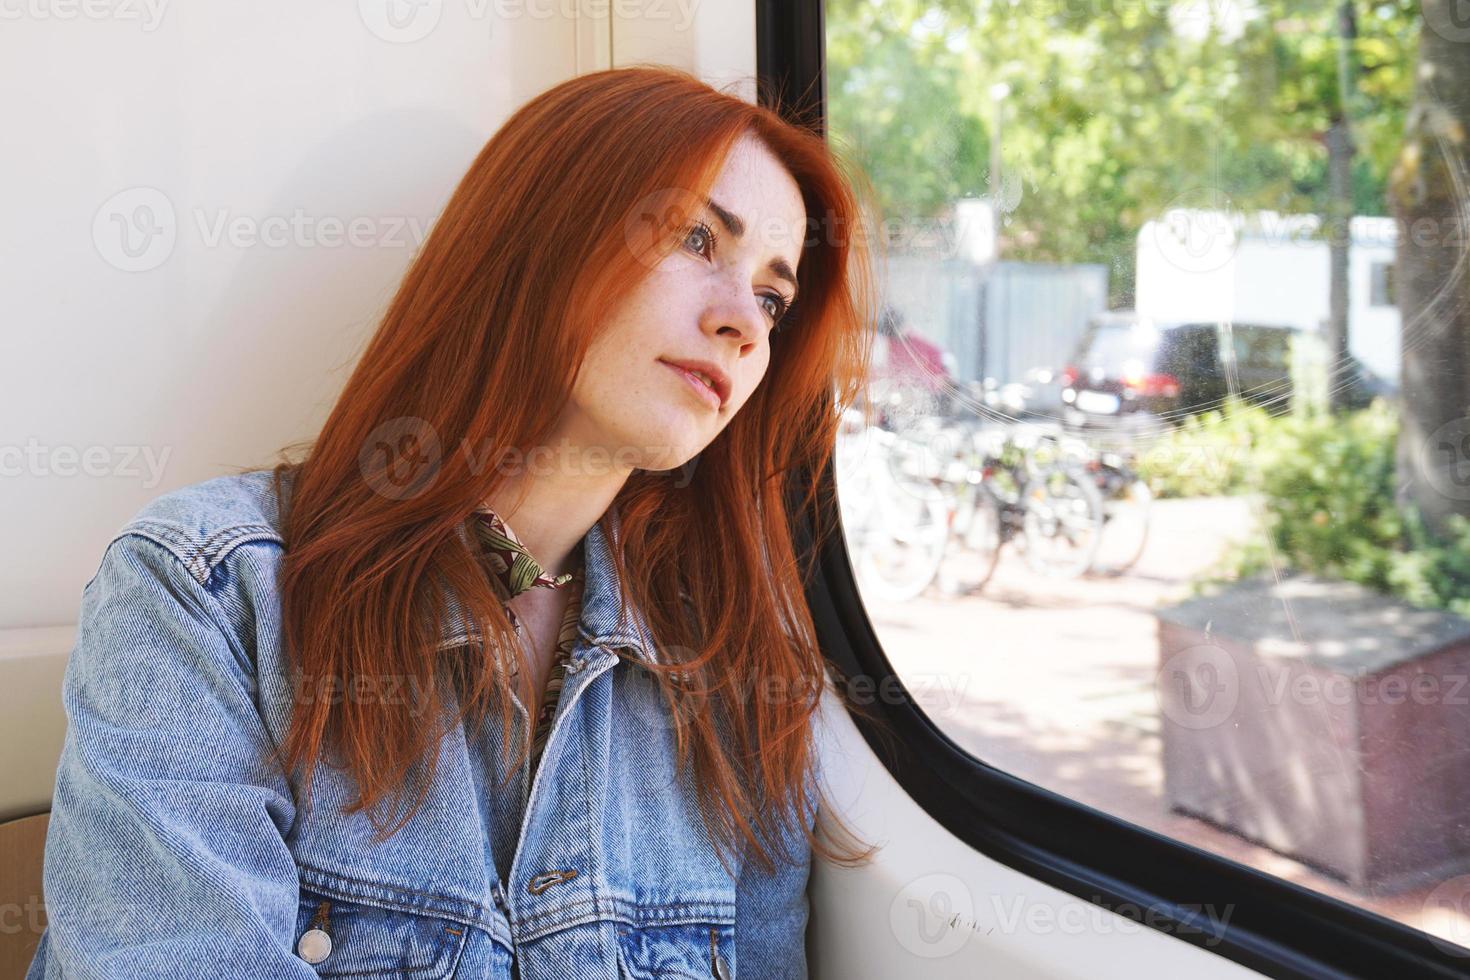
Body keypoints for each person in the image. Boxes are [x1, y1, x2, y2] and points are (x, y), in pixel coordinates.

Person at [27, 65, 879, 979]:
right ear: (544, 237)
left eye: (773, 298)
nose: (745, 325)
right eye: (698, 236)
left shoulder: (731, 671)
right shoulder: (206, 596)